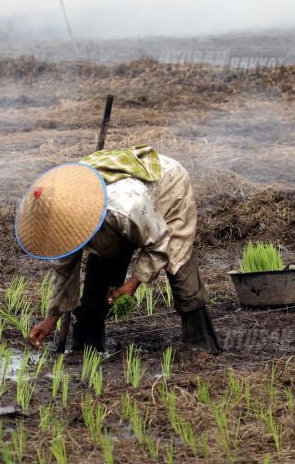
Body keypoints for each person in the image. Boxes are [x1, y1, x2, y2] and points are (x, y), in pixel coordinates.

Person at [16, 145, 221, 354]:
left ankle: (200, 345)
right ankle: (89, 344)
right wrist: (52, 318)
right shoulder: (60, 219)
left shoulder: (124, 207)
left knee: (177, 260)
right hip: (120, 212)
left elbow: (159, 242)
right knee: (103, 258)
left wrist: (133, 284)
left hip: (167, 185)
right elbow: (64, 270)